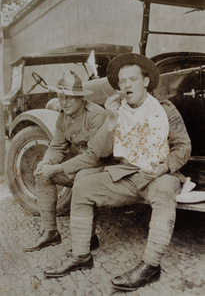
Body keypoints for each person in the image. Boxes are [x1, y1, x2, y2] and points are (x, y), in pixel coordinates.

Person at [44, 54, 191, 292]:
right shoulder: (116, 111)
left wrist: (164, 167)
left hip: (158, 174)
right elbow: (99, 151)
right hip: (126, 175)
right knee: (83, 187)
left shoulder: (165, 109)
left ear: (145, 82)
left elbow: (183, 147)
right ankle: (82, 255)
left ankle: (151, 266)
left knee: (165, 191)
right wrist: (111, 119)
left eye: (133, 79)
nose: (127, 85)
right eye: (122, 82)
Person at [24, 69, 107, 252]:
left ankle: (89, 238)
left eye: (69, 97)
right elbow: (57, 147)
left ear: (80, 97)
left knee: (82, 179)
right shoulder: (63, 115)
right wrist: (47, 162)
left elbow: (94, 157)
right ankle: (50, 232)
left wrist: (58, 168)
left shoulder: (96, 115)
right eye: (61, 97)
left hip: (104, 168)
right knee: (42, 174)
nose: (64, 102)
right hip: (80, 165)